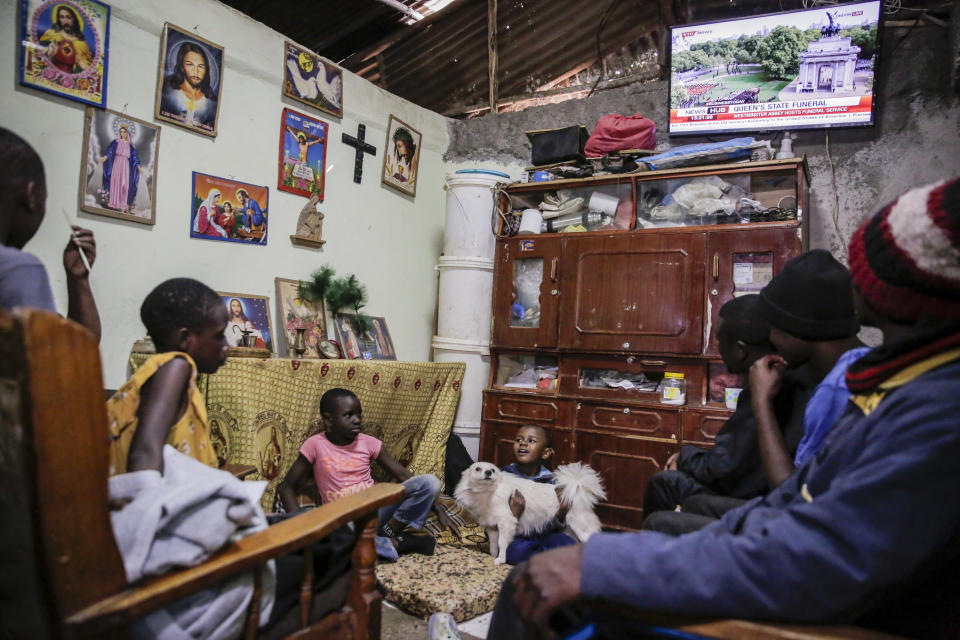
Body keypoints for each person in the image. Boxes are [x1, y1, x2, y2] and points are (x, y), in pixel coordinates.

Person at [486, 177, 960, 639]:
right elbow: (793, 505)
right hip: (796, 561)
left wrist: (606, 563)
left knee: (533, 587)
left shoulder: (935, 410)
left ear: (885, 293)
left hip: (825, 613)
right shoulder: (899, 384)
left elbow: (813, 557)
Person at [641, 295, 814, 534]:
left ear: (740, 350)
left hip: (762, 503)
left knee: (664, 486)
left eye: (720, 342)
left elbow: (723, 467)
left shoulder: (767, 389)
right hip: (764, 493)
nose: (719, 349)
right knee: (677, 489)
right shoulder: (791, 376)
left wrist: (684, 458)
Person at [278, 388, 459, 560]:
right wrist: (300, 524)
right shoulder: (315, 445)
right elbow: (285, 487)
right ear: (328, 420)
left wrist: (437, 506)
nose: (357, 420)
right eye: (349, 415)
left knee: (430, 482)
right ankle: (400, 543)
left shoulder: (369, 442)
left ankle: (389, 531)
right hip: (344, 520)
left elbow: (404, 476)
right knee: (332, 543)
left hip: (376, 509)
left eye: (359, 414)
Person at [749, 249, 869, 489]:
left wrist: (761, 402)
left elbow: (789, 496)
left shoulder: (838, 389)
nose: (770, 337)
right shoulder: (866, 361)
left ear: (796, 329)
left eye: (773, 327)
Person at [106, 278, 228, 476]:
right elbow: (145, 451)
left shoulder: (163, 371)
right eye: (219, 335)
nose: (226, 346)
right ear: (184, 339)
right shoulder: (176, 366)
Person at [0, 128, 100, 341]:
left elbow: (79, 342)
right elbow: (70, 357)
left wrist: (78, 280)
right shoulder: (17, 268)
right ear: (31, 195)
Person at [501, 425, 576, 565]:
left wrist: (561, 512)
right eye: (519, 439)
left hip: (544, 534)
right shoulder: (504, 477)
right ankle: (547, 560)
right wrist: (513, 515)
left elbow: (553, 525)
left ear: (545, 453)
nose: (523, 443)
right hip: (518, 535)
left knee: (567, 543)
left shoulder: (552, 482)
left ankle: (541, 559)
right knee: (516, 551)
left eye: (531, 441)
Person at [159, 41, 218, 130]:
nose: (196, 71)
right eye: (190, 65)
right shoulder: (167, 93)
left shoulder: (211, 102)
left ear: (206, 70)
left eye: (201, 66)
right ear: (182, 67)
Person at [98, 123, 144, 213]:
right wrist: (105, 157)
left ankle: (123, 202)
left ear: (128, 133)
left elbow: (134, 157)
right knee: (116, 182)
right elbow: (110, 151)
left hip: (125, 165)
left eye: (124, 132)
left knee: (124, 183)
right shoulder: (116, 142)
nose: (123, 134)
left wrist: (138, 167)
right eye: (121, 132)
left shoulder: (130, 146)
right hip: (117, 163)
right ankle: (114, 202)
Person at [39, 4, 92, 74]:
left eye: (69, 17)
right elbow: (38, 52)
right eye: (62, 17)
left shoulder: (81, 44)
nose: (65, 21)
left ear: (75, 20)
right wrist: (50, 53)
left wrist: (80, 64)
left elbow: (85, 68)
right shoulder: (51, 35)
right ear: (58, 19)